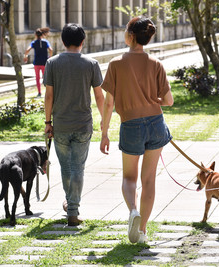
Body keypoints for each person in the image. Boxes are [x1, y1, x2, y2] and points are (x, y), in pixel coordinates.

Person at [100, 17, 174, 244]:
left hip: (130, 125)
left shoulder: (115, 64)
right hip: (156, 123)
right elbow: (169, 101)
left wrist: (104, 133)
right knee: (149, 179)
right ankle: (142, 231)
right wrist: (153, 98)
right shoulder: (156, 63)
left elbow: (109, 104)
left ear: (130, 36)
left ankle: (133, 210)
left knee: (129, 177)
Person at [44, 23, 105, 226]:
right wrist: (104, 119)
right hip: (83, 125)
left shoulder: (52, 63)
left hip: (60, 124)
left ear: (62, 41)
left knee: (65, 168)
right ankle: (73, 209)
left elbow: (49, 96)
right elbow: (99, 95)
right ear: (82, 41)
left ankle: (70, 205)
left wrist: (47, 122)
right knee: (78, 167)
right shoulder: (91, 64)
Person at [24, 28, 53, 97]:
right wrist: (50, 57)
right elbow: (51, 50)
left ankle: (39, 92)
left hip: (37, 62)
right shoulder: (45, 42)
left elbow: (27, 50)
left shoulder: (34, 42)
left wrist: (25, 57)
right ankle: (47, 91)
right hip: (44, 62)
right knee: (46, 77)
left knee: (37, 78)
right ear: (42, 34)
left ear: (36, 35)